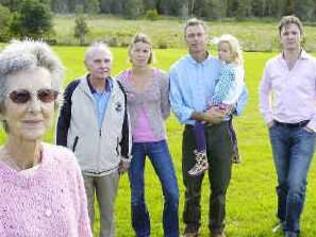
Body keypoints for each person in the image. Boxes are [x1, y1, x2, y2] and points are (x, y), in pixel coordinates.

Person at [0, 40, 92, 236]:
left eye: (45, 95)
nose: (35, 108)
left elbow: (83, 230)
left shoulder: (66, 162)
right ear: (2, 109)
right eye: (20, 96)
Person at [169, 18, 248, 237]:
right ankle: (192, 226)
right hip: (194, 132)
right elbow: (177, 105)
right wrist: (204, 115)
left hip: (221, 132)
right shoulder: (177, 70)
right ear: (186, 39)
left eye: (199, 34)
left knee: (220, 184)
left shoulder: (222, 64)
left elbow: (242, 93)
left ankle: (217, 228)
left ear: (206, 37)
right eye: (191, 35)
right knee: (192, 184)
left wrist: (224, 113)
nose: (195, 39)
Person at [56, 42, 131, 237]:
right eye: (97, 61)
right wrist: (62, 159)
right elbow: (62, 125)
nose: (103, 65)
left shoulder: (118, 89)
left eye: (107, 60)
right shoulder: (74, 89)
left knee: (109, 214)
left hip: (109, 165)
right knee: (83, 215)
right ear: (87, 64)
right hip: (80, 165)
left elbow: (125, 124)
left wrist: (125, 155)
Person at [117, 33, 179, 237]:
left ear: (150, 52)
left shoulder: (162, 78)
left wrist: (153, 124)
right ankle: (142, 232)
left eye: (146, 50)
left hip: (157, 141)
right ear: (130, 52)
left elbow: (165, 109)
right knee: (136, 196)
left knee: (172, 192)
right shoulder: (120, 80)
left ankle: (171, 233)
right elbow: (118, 112)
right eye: (137, 50)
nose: (141, 54)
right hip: (132, 145)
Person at [259, 15, 316, 237]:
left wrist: (313, 125)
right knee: (283, 182)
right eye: (286, 33)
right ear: (280, 37)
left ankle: (292, 230)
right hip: (279, 131)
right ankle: (283, 219)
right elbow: (263, 92)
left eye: (294, 32)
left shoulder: (312, 65)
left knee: (295, 184)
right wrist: (269, 119)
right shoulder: (272, 64)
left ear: (301, 36)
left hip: (305, 132)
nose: (290, 36)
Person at [188, 34, 245, 176]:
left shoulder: (228, 71)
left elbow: (222, 89)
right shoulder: (238, 68)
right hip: (230, 104)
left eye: (225, 51)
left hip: (222, 104)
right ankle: (234, 152)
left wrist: (213, 102)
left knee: (198, 124)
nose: (220, 53)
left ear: (233, 53)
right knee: (229, 125)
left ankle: (201, 159)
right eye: (219, 50)